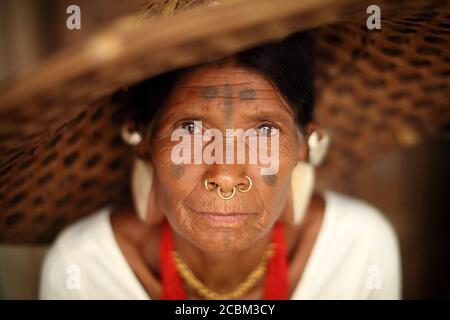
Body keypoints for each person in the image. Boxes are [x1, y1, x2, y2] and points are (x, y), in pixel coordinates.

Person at [39, 32, 401, 300]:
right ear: (142, 140)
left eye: (263, 132)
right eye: (192, 131)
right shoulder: (85, 268)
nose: (225, 175)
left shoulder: (356, 251)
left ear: (307, 145)